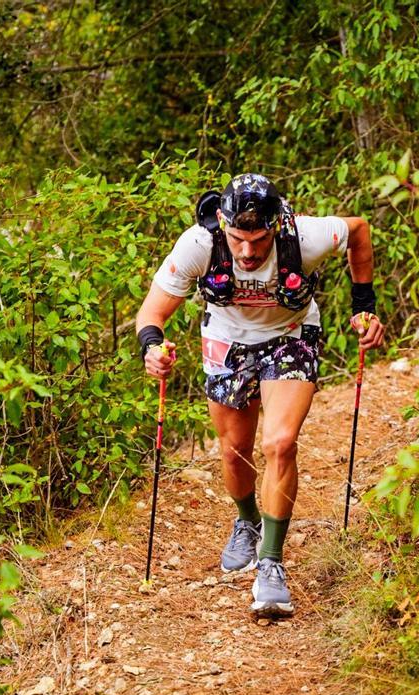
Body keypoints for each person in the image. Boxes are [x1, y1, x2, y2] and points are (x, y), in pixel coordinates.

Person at [135, 173, 384, 615]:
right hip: (227, 339)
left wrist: (364, 306)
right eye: (237, 239)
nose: (247, 252)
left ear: (276, 225)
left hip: (291, 335)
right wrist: (153, 349)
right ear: (221, 223)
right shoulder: (199, 244)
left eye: (259, 240)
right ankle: (247, 521)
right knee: (235, 453)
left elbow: (359, 230)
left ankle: (271, 563)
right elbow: (151, 314)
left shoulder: (304, 235)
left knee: (280, 443)